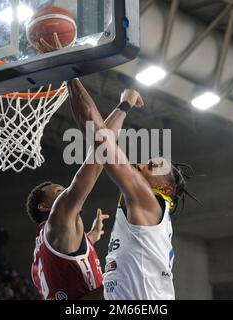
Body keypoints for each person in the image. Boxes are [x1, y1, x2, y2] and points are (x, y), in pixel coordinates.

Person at [68, 79, 196, 300]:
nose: (140, 165)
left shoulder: (148, 200)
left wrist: (70, 74)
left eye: (152, 166)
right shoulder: (148, 219)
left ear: (164, 188)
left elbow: (101, 141)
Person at [27, 80, 134, 300]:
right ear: (45, 206)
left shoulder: (45, 245)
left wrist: (91, 237)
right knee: (127, 282)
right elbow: (100, 152)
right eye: (58, 191)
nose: (65, 191)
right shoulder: (59, 216)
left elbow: (67, 261)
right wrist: (125, 105)